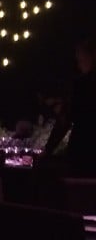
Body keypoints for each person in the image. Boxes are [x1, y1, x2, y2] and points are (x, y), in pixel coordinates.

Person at [43, 36, 96, 175]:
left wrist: (47, 150)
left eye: (80, 60)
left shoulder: (82, 85)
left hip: (83, 149)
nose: (79, 65)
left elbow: (64, 121)